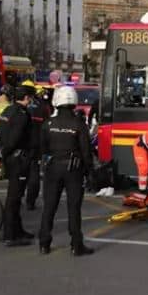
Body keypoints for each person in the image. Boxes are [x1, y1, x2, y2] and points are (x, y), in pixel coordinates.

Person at [38, 86, 95, 256]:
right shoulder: (79, 124)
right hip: (74, 169)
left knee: (49, 206)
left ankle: (44, 243)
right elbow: (86, 151)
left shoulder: (48, 124)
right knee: (74, 208)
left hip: (53, 167)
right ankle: (76, 245)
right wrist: (89, 173)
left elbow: (43, 148)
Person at [0, 85, 35, 247]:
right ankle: (10, 235)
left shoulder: (7, 111)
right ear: (26, 98)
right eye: (30, 97)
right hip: (18, 159)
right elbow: (15, 138)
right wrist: (5, 152)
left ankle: (18, 230)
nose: (31, 100)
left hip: (9, 158)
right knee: (14, 198)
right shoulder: (22, 115)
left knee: (15, 197)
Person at [20, 80, 51, 211]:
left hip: (21, 146)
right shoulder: (44, 107)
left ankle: (18, 198)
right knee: (34, 175)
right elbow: (48, 126)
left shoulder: (20, 106)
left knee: (20, 175)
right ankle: (30, 202)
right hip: (36, 146)